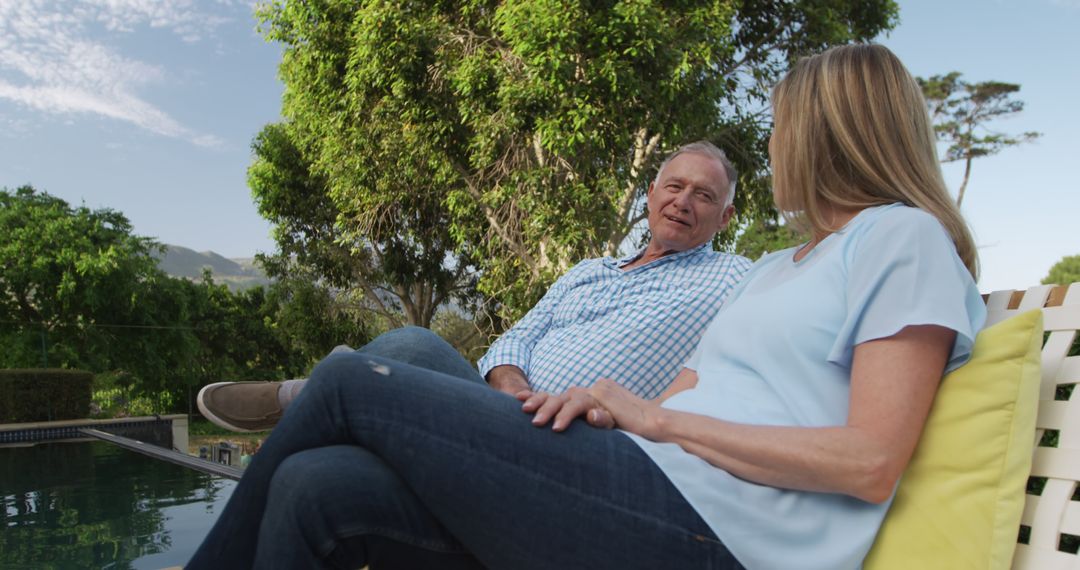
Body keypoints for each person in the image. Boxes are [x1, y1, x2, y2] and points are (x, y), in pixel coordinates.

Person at [188, 43, 986, 570]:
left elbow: (870, 463)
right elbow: (684, 395)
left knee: (351, 381)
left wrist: (652, 419)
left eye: (781, 129)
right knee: (316, 487)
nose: (774, 145)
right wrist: (609, 412)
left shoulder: (900, 239)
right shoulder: (776, 267)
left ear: (825, 134)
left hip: (718, 535)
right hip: (631, 480)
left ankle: (298, 399)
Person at [196, 141, 751, 432]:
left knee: (414, 345)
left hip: (580, 436)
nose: (683, 201)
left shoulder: (732, 278)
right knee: (330, 469)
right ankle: (333, 389)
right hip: (503, 407)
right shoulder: (590, 270)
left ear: (724, 220)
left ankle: (310, 393)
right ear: (650, 195)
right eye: (674, 186)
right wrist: (509, 384)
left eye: (704, 196)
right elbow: (515, 338)